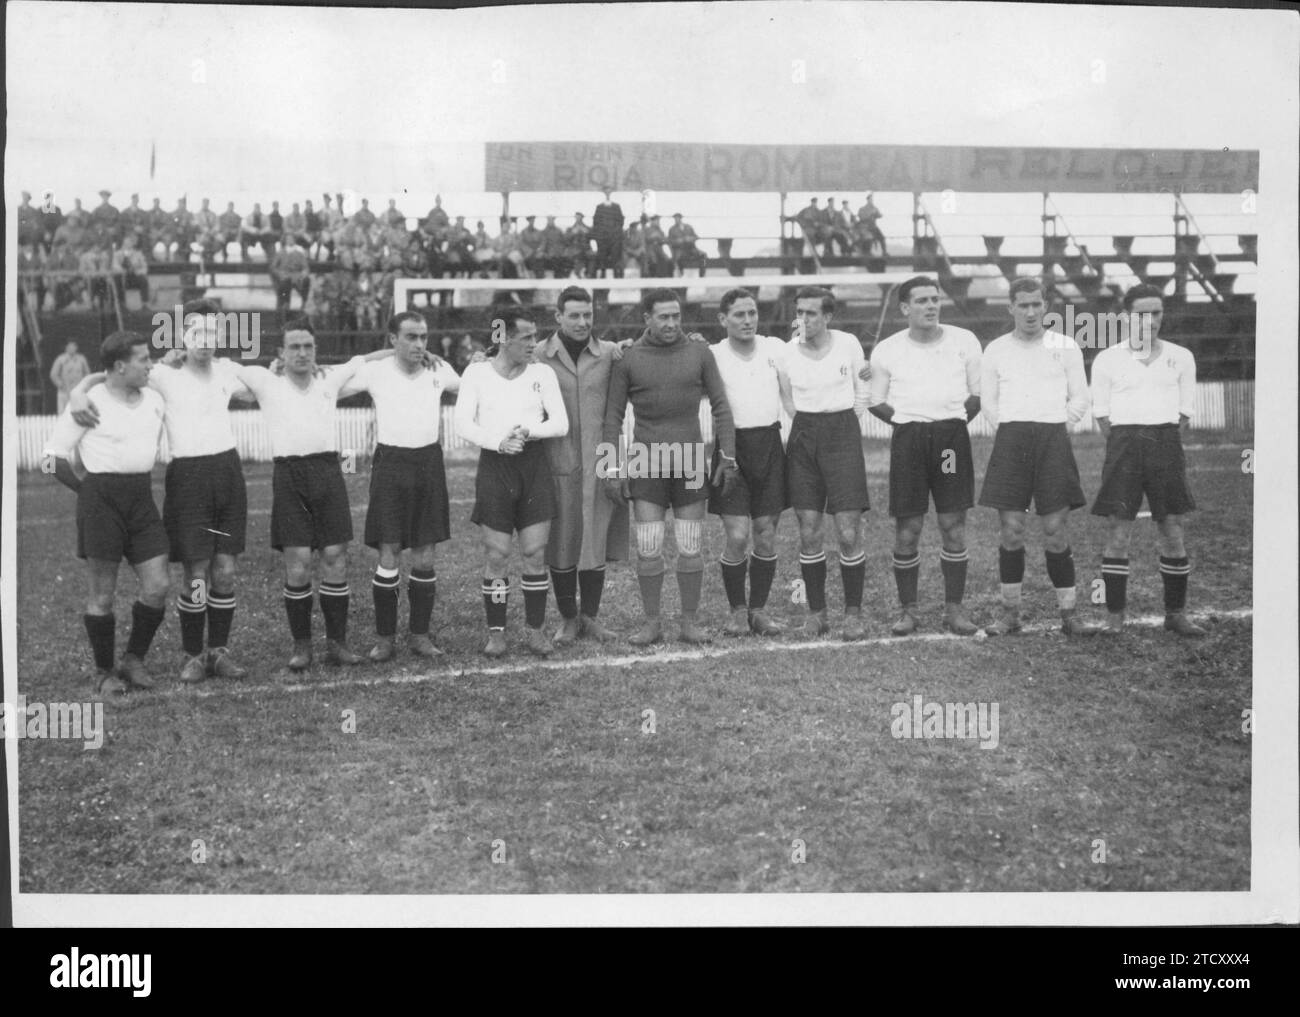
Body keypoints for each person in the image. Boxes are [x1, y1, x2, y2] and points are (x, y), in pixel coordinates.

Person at [69, 299, 256, 683]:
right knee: (197, 572)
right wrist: (78, 391)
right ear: (183, 337)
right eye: (197, 333)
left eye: (212, 332)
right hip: (188, 476)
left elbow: (266, 386)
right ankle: (193, 654)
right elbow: (110, 376)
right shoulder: (164, 374)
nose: (206, 340)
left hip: (228, 472)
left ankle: (218, 651)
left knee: (225, 570)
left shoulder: (229, 372)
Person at [226, 318, 390, 669]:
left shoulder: (329, 378)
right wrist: (174, 357)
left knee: (334, 554)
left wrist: (411, 352)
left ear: (315, 351)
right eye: (294, 347)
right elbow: (220, 366)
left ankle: (337, 644)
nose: (301, 353)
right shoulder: (264, 380)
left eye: (308, 346)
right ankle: (302, 647)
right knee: (298, 562)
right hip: (289, 475)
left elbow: (367, 359)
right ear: (281, 353)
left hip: (328, 471)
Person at [602, 288, 738, 645]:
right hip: (645, 459)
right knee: (649, 545)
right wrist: (610, 468)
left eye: (676, 316)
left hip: (690, 458)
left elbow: (721, 405)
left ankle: (689, 622)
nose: (671, 323)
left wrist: (729, 454)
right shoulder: (628, 358)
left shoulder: (699, 351)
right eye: (663, 316)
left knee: (690, 545)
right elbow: (612, 417)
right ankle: (652, 622)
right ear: (646, 318)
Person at [44, 331, 170, 698]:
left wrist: (82, 382)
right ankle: (103, 672)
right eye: (143, 359)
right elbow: (50, 458)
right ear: (119, 366)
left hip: (141, 498)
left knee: (158, 585)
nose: (150, 365)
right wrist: (86, 490)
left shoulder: (154, 399)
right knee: (102, 593)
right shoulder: (88, 403)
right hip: (101, 499)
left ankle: (133, 659)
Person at [978, 276, 1099, 635]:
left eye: (1036, 304)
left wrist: (1060, 427)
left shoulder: (1064, 346)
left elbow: (1080, 398)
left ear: (1045, 306)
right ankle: (1010, 614)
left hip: (1053, 440)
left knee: (1054, 529)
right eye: (1023, 305)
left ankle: (1069, 615)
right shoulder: (996, 349)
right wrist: (1011, 429)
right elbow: (988, 402)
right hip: (1012, 440)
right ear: (1011, 308)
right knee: (1011, 530)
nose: (1030, 312)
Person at [338, 312, 461, 662]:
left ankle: (420, 635)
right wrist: (372, 356)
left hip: (428, 464)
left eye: (423, 337)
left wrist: (482, 361)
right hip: (390, 464)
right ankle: (384, 638)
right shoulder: (376, 372)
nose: (419, 345)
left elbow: (476, 386)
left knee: (425, 552)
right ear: (393, 339)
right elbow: (333, 384)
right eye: (410, 337)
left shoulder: (440, 370)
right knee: (389, 549)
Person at [867, 276, 982, 636]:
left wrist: (952, 422)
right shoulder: (888, 349)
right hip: (910, 441)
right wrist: (905, 422)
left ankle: (954, 610)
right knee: (908, 527)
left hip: (949, 441)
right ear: (904, 308)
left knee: (952, 523)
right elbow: (875, 400)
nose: (931, 306)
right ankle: (909, 611)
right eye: (921, 301)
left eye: (935, 299)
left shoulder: (964, 341)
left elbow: (977, 395)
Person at [1091, 284, 1205, 637]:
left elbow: (1183, 416)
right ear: (1126, 316)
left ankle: (1175, 613)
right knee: (1118, 529)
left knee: (1172, 527)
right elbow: (1104, 418)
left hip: (1165, 445)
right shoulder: (1107, 359)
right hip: (1124, 446)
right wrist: (1133, 441)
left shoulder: (1181, 356)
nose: (1150, 321)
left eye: (1156, 313)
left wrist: (1157, 440)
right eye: (1142, 314)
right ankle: (1114, 618)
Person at [455, 308, 570, 657]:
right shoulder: (476, 373)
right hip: (496, 466)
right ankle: (497, 634)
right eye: (526, 338)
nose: (534, 344)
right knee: (498, 554)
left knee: (534, 554)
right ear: (502, 338)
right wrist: (498, 442)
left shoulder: (542, 373)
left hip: (533, 466)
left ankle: (536, 632)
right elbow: (462, 424)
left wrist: (527, 430)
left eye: (535, 336)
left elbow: (560, 423)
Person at [534, 286, 629, 645]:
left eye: (587, 314)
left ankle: (590, 617)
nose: (582, 322)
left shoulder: (610, 353)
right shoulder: (538, 355)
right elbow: (501, 359)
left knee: (595, 537)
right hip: (555, 460)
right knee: (561, 540)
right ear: (557, 317)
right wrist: (486, 353)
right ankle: (568, 618)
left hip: (601, 459)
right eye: (573, 315)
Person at [775, 286, 872, 640]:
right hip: (804, 436)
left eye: (811, 313)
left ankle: (853, 614)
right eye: (799, 312)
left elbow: (863, 390)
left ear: (828, 316)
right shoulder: (786, 353)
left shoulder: (848, 344)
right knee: (808, 528)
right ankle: (817, 613)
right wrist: (808, 427)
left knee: (848, 531)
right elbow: (787, 397)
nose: (803, 319)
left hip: (842, 432)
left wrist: (844, 425)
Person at [709, 288, 788, 637]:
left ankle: (758, 610)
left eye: (752, 313)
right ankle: (736, 610)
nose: (747, 320)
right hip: (732, 449)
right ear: (723, 319)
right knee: (738, 535)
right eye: (739, 314)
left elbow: (813, 353)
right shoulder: (711, 355)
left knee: (766, 534)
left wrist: (860, 369)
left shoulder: (776, 348)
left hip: (769, 445)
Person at [270, 233, 311, 312]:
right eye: (288, 239)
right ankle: (285, 305)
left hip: (297, 275)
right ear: (285, 241)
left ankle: (304, 303)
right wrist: (280, 274)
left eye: (292, 239)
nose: (290, 241)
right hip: (285, 276)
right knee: (285, 284)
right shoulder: (280, 253)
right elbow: (273, 267)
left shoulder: (299, 253)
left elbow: (305, 267)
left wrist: (304, 273)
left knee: (306, 281)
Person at [592, 188, 626, 278]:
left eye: (609, 192)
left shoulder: (616, 206)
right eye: (606, 192)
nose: (607, 194)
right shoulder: (599, 207)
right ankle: (603, 274)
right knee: (602, 256)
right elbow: (595, 222)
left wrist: (616, 231)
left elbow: (621, 220)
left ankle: (616, 274)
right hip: (603, 237)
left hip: (614, 237)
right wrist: (600, 232)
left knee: (615, 255)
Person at [50, 341, 91, 413]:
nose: (71, 348)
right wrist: (61, 385)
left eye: (73, 346)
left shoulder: (81, 359)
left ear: (76, 348)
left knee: (79, 412)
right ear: (66, 348)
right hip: (65, 392)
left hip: (78, 391)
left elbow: (87, 373)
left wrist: (84, 386)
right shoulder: (60, 359)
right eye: (69, 346)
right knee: (63, 413)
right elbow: (53, 374)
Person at [111, 234, 151, 308]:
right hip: (123, 276)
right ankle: (122, 303)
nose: (127, 245)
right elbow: (115, 265)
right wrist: (122, 270)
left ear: (132, 244)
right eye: (126, 243)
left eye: (129, 243)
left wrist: (139, 272)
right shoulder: (117, 254)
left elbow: (144, 267)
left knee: (143, 280)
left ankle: (145, 303)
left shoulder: (138, 254)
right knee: (117, 280)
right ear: (123, 244)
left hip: (134, 276)